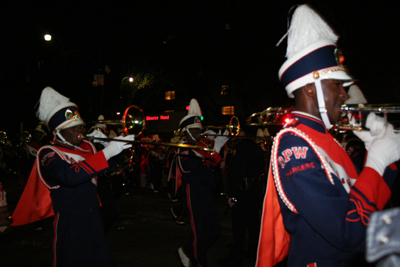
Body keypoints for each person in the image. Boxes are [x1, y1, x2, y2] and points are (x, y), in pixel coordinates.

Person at [256, 5, 400, 267]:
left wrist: (384, 155)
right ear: (311, 90)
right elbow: (345, 231)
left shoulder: (326, 139)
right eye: (337, 85)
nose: (345, 94)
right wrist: (376, 164)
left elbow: (366, 205)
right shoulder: (294, 143)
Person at [11, 87, 135, 267]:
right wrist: (106, 152)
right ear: (59, 131)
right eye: (74, 126)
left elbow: (117, 159)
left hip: (94, 220)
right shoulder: (48, 153)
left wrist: (107, 142)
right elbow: (69, 177)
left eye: (81, 125)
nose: (81, 129)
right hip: (71, 223)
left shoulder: (88, 148)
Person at [177, 99, 229, 267]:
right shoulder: (183, 147)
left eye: (200, 129)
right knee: (200, 232)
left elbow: (211, 164)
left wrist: (215, 146)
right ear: (187, 131)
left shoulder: (201, 145)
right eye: (196, 130)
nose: (200, 132)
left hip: (205, 190)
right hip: (193, 190)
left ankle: (187, 250)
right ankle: (199, 262)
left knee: (214, 231)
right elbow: (199, 170)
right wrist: (216, 149)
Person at [218, 124, 267, 267]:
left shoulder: (239, 149)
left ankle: (236, 256)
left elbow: (236, 173)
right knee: (253, 224)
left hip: (243, 190)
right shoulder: (258, 149)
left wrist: (232, 195)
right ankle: (253, 251)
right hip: (256, 190)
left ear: (244, 133)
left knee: (238, 224)